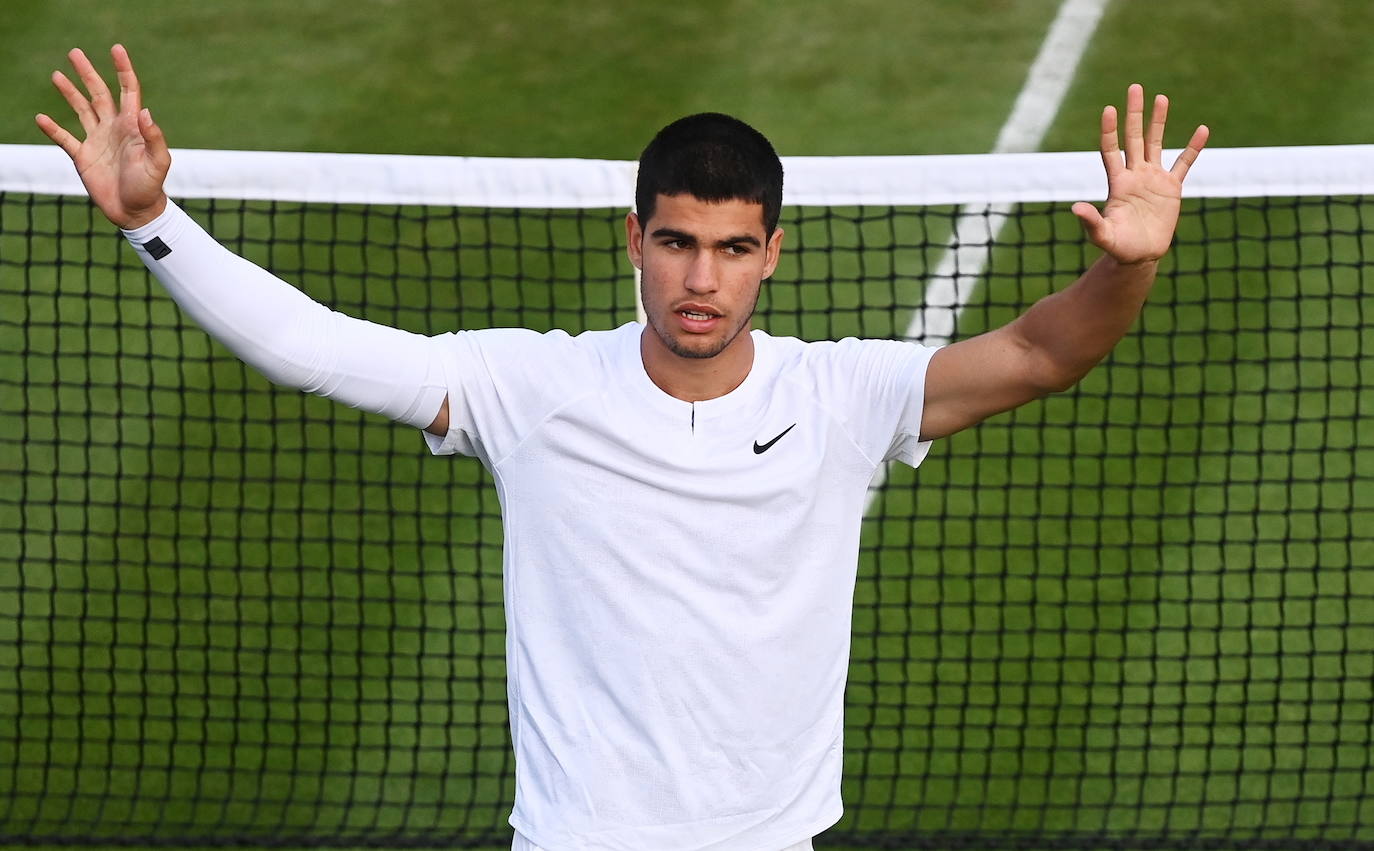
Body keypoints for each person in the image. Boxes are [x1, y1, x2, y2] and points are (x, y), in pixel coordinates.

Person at [38, 44, 1208, 851]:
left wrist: (1129, 262)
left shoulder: (843, 391)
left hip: (770, 837)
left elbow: (1040, 354)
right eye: (678, 242)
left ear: (772, 254)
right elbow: (318, 346)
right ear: (635, 239)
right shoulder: (532, 387)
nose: (702, 278)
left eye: (732, 248)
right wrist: (154, 225)